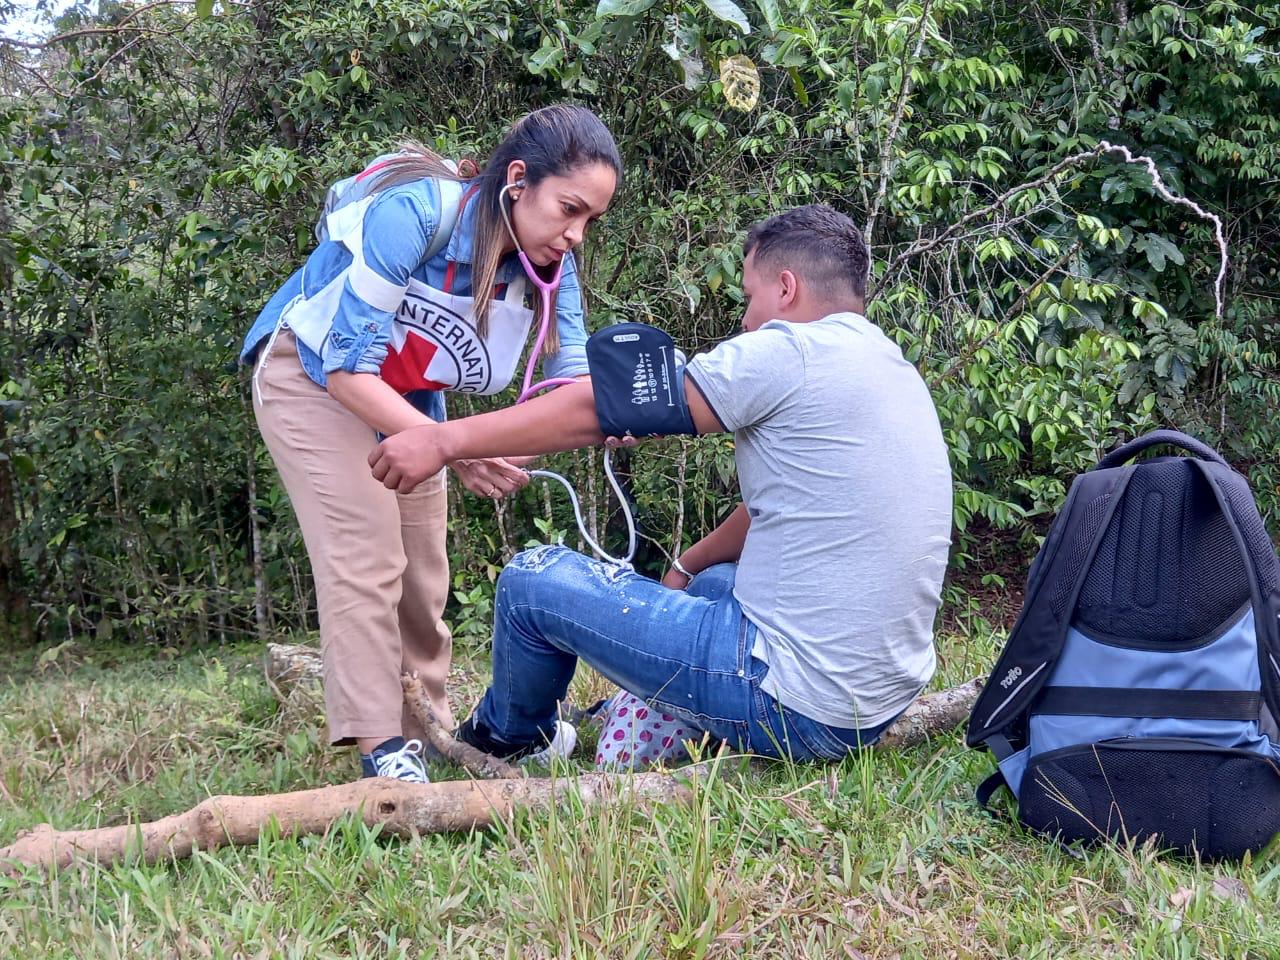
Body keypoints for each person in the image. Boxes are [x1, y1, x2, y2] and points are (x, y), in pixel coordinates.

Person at [369, 205, 953, 763]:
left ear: (786, 287)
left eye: (749, 297)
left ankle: (509, 738)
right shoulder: (888, 366)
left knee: (532, 581)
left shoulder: (789, 350)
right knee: (715, 583)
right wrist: (683, 567)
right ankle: (642, 703)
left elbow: (607, 406)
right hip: (874, 702)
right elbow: (771, 510)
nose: (745, 320)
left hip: (793, 706)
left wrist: (446, 441)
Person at [240, 104, 621, 782]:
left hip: (411, 399)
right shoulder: (417, 216)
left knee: (423, 573)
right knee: (368, 548)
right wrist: (458, 447)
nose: (577, 235)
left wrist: (485, 446)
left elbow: (575, 394)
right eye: (569, 209)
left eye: (591, 219)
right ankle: (381, 749)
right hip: (313, 374)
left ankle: (431, 735)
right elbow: (349, 367)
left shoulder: (550, 271)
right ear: (517, 180)